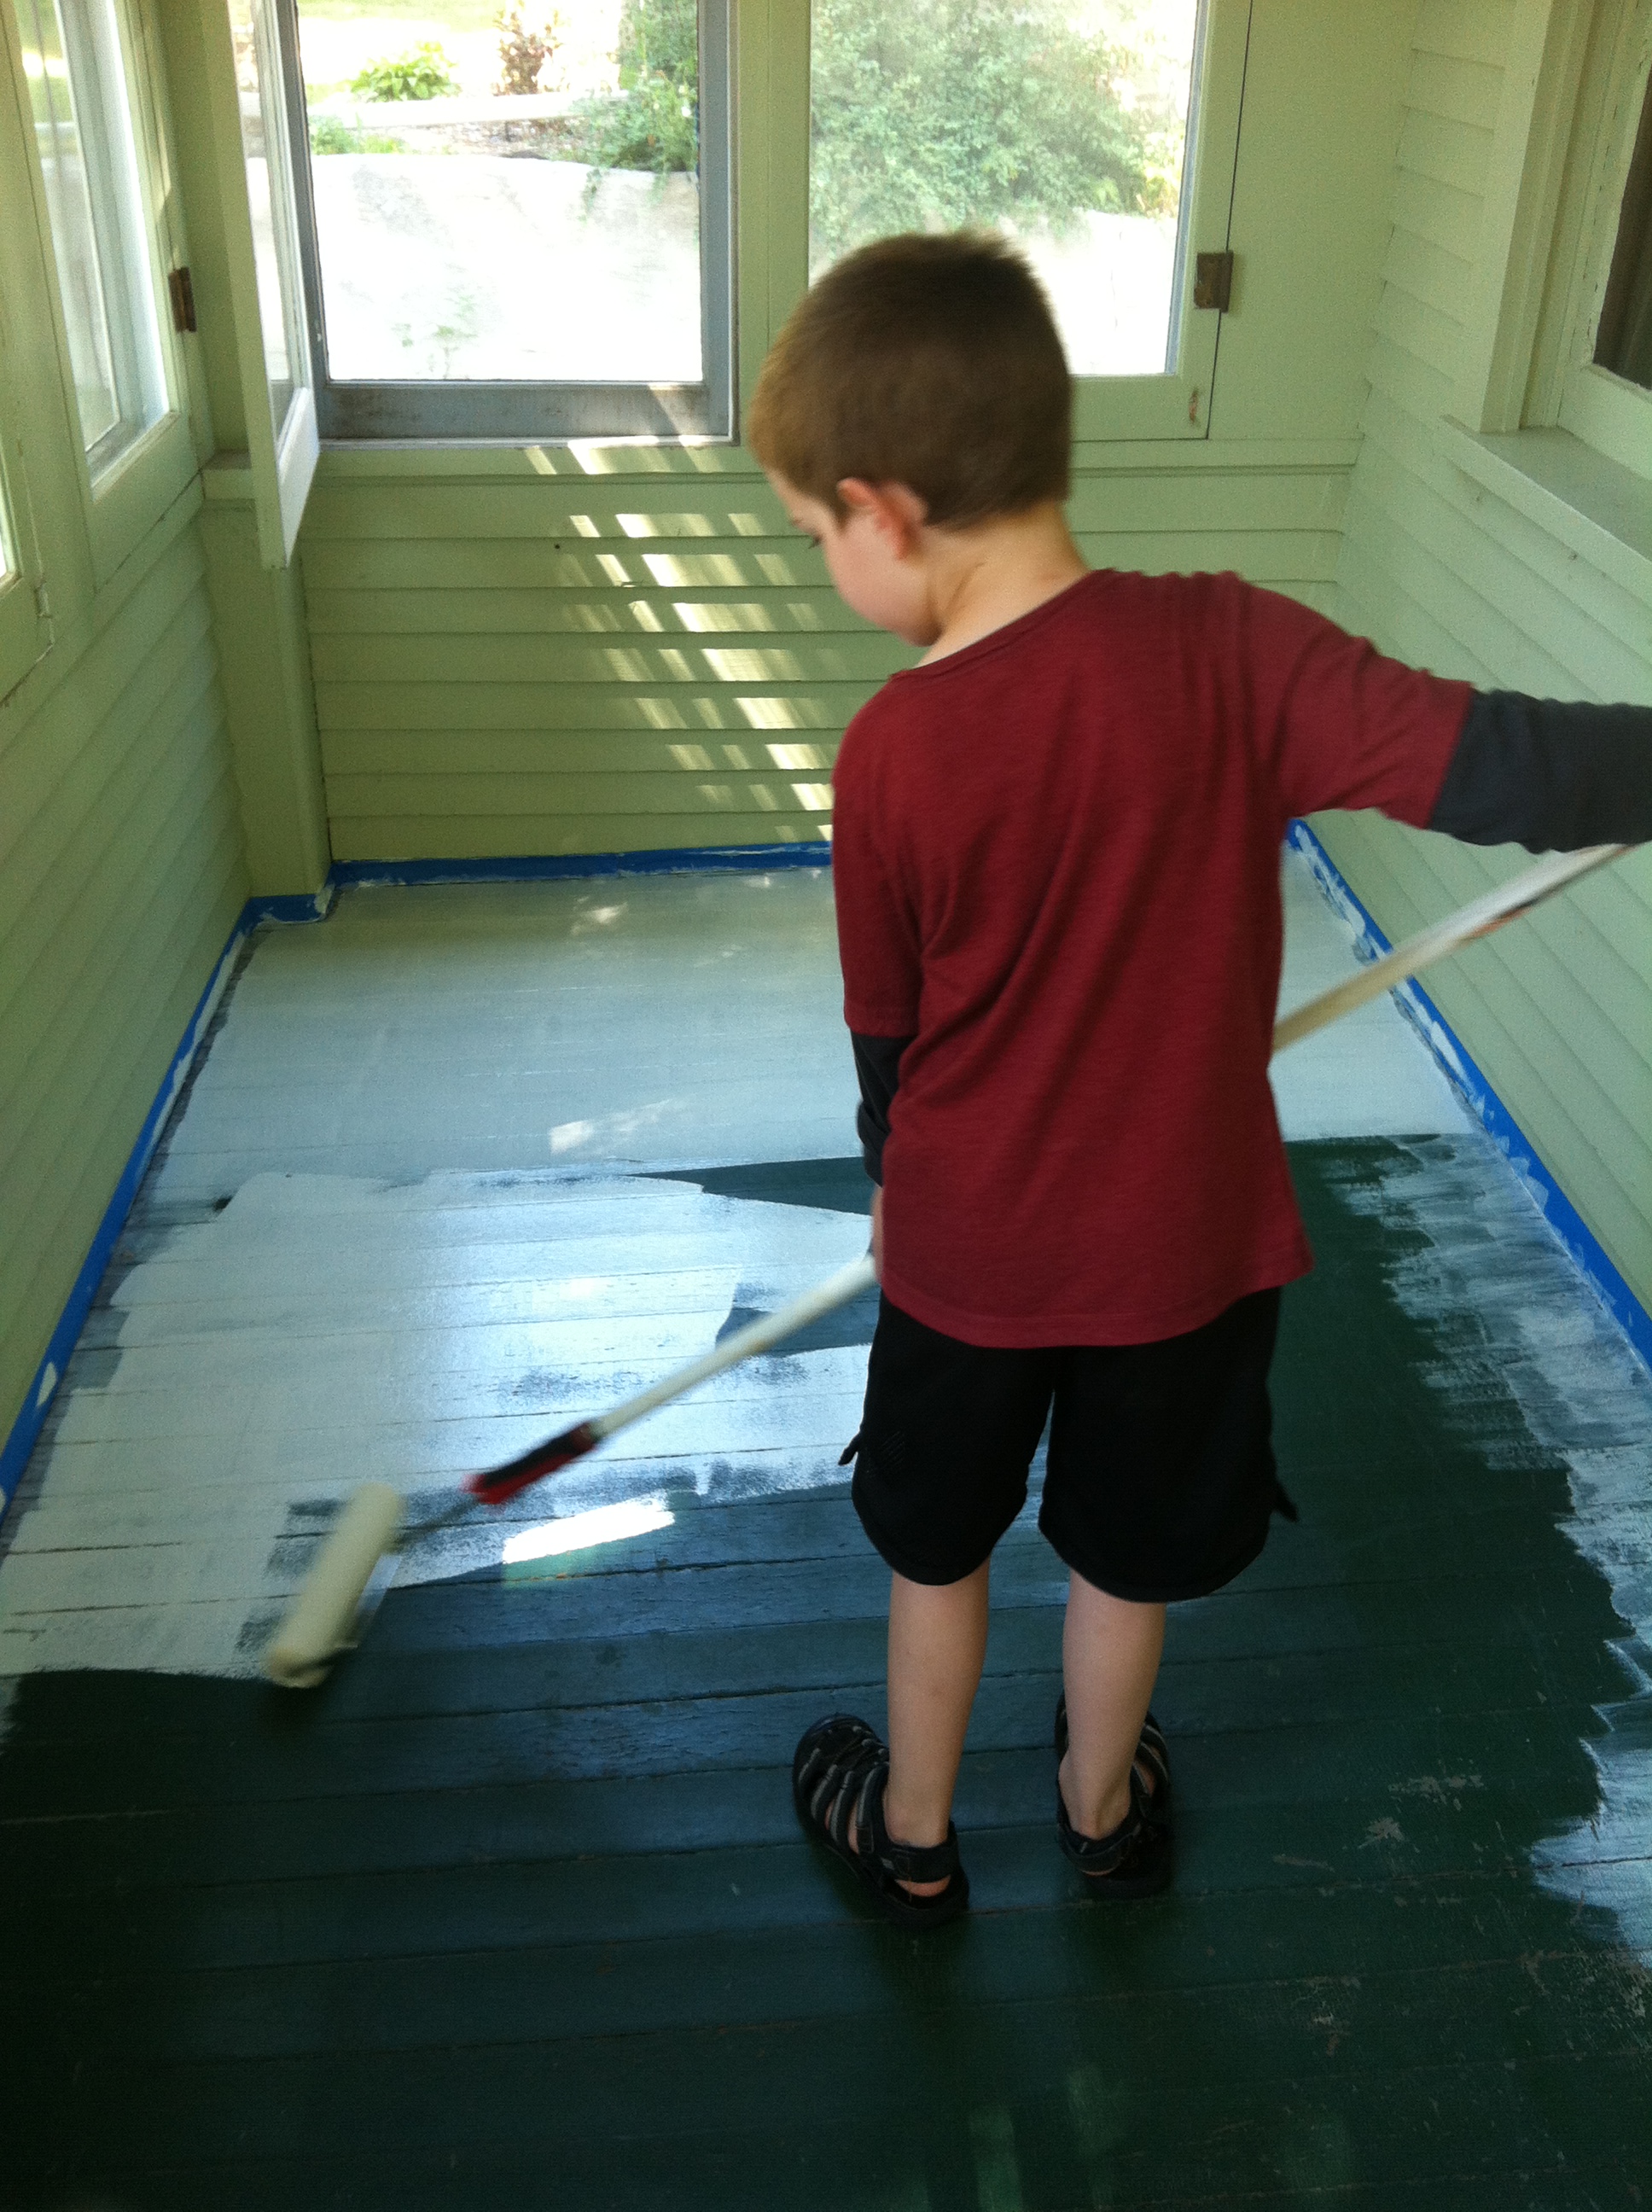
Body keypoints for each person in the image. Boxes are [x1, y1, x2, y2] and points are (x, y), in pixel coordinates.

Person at [745, 230, 1652, 1930]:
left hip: (967, 1256)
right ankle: (1100, 1814)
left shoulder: (891, 751)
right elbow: (1502, 764)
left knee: (937, 1552)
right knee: (1122, 1555)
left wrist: (894, 1178)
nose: (827, 567)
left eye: (815, 539)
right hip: (1182, 1250)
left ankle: (914, 1840)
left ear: (880, 511)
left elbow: (888, 1032)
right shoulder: (1231, 647)